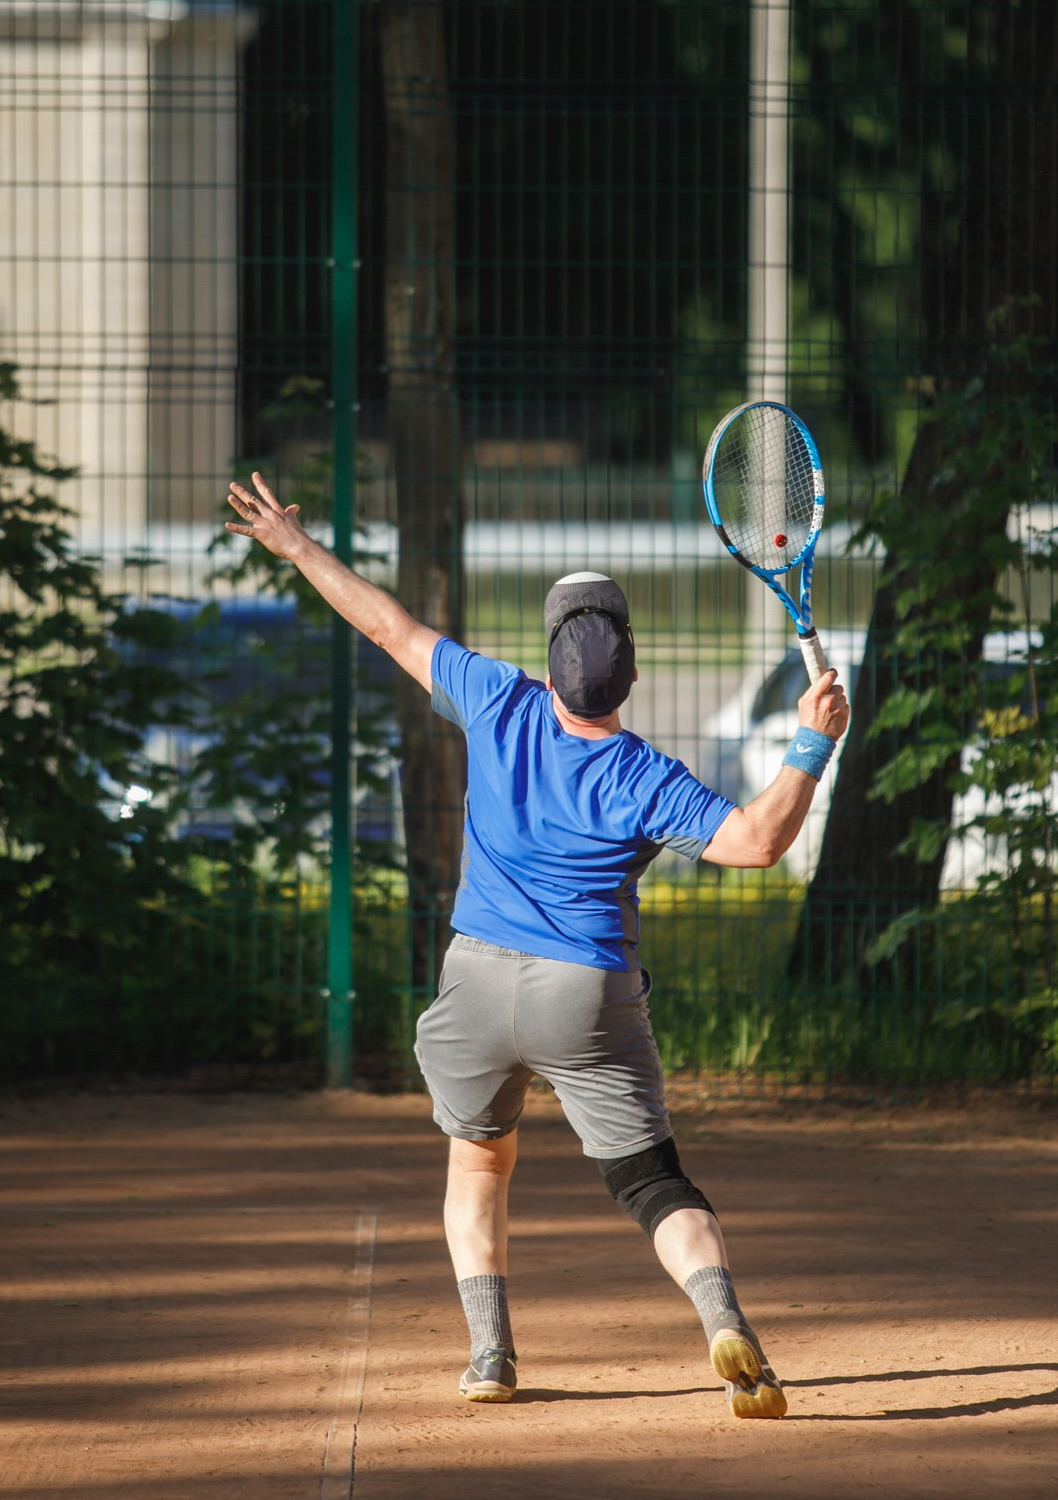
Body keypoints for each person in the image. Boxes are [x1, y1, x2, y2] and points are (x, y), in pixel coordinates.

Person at [226, 471, 850, 1419]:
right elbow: (759, 845)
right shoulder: (646, 773)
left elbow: (387, 627)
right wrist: (810, 747)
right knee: (652, 1183)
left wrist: (298, 548)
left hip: (474, 982)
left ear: (548, 662)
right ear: (630, 677)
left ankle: (490, 1357)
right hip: (587, 993)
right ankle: (727, 1324)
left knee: (478, 1165)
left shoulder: (498, 700)